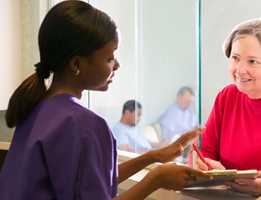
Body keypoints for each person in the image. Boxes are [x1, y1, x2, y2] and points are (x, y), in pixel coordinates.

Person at [0, 1, 210, 200]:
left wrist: (152, 157)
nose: (116, 65)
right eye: (109, 58)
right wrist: (157, 178)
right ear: (76, 64)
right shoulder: (83, 124)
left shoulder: (37, 108)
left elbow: (87, 181)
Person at [197, 19, 261, 196]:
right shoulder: (227, 96)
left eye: (252, 61)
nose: (240, 70)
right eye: (235, 58)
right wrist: (205, 164)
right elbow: (205, 151)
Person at [158, 86, 197, 163]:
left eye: (189, 101)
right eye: (186, 100)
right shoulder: (171, 111)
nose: (188, 103)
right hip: (174, 143)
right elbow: (169, 134)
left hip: (188, 144)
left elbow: (195, 127)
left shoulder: (189, 112)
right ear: (179, 97)